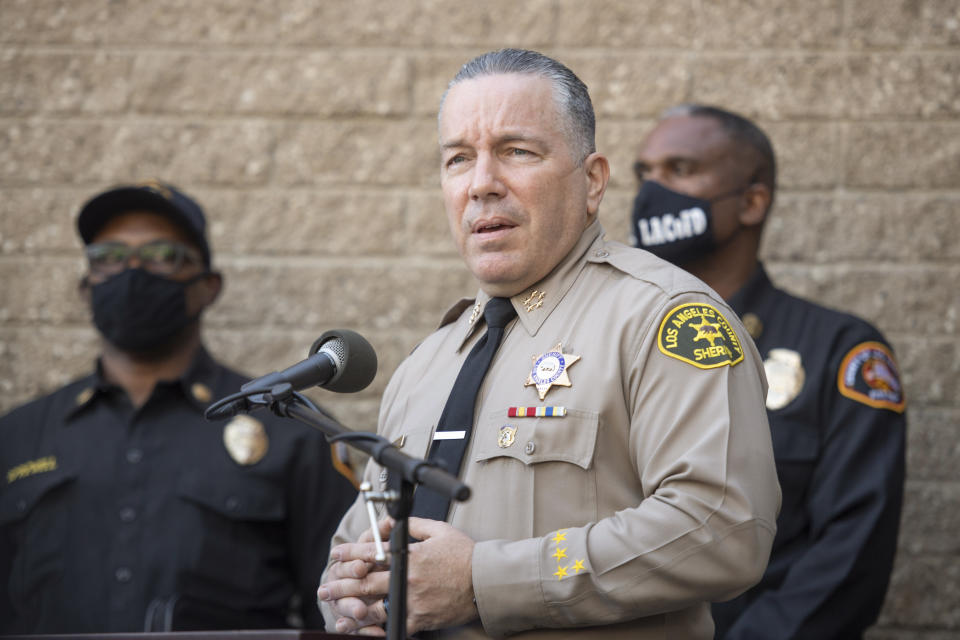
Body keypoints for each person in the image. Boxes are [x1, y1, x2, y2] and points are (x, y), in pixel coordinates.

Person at [317, 49, 780, 639]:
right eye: (459, 159)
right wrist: (349, 599)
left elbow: (724, 528)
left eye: (517, 151)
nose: (482, 184)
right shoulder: (427, 364)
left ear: (592, 182)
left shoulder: (664, 320)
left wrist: (483, 581)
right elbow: (355, 546)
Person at [0, 180, 357, 633]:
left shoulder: (294, 431)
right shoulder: (17, 438)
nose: (131, 272)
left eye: (162, 256)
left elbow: (340, 614)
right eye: (107, 257)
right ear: (85, 286)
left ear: (208, 287)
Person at [629, 104, 906, 639]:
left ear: (752, 201)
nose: (651, 191)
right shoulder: (614, 344)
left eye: (680, 170)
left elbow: (850, 556)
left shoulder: (840, 353)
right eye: (645, 173)